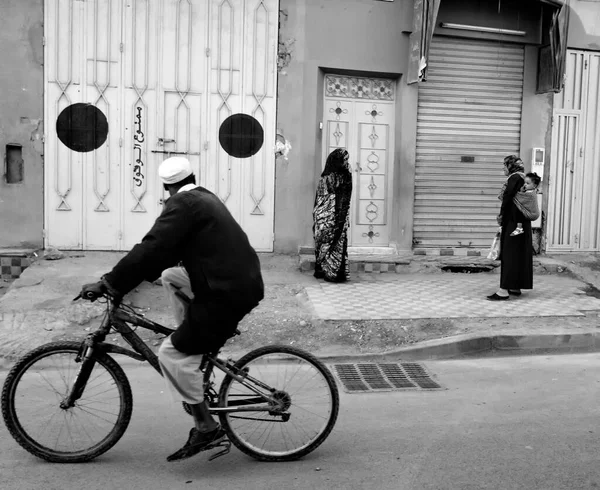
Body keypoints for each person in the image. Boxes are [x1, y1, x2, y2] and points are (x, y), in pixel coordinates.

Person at [80, 156, 264, 462]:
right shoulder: (203, 197)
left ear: (166, 187)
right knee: (171, 277)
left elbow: (152, 247)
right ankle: (198, 346)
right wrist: (127, 278)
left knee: (170, 354)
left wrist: (109, 283)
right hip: (235, 281)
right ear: (193, 176)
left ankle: (206, 427)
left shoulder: (182, 205)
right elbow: (165, 252)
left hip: (225, 292)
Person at [487, 155, 533, 301]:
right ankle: (515, 286)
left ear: (511, 166)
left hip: (513, 222)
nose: (503, 168)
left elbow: (507, 199)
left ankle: (503, 290)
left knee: (509, 254)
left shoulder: (514, 178)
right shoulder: (523, 178)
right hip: (522, 222)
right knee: (518, 254)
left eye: (504, 165)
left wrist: (501, 216)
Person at [312, 148, 352, 283]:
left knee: (336, 244)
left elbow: (345, 200)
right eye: (344, 160)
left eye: (347, 160)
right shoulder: (327, 177)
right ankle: (323, 270)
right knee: (322, 243)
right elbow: (318, 199)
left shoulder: (343, 176)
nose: (347, 163)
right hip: (324, 216)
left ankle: (333, 273)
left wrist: (341, 221)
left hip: (334, 217)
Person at [511, 172, 541, 236]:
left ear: (534, 185)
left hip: (532, 214)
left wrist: (513, 194)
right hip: (533, 213)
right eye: (524, 182)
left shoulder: (530, 194)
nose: (525, 184)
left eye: (527, 183)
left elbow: (520, 198)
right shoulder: (530, 191)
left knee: (519, 210)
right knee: (520, 209)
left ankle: (519, 228)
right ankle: (519, 227)